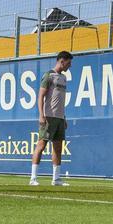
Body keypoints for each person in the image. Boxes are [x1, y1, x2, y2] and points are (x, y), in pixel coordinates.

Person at [29, 51, 73, 187]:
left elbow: (60, 100)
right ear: (62, 61)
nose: (69, 66)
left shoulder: (64, 78)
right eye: (68, 63)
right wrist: (41, 115)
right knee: (41, 146)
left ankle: (56, 179)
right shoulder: (48, 75)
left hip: (59, 118)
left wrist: (63, 117)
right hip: (48, 117)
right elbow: (40, 96)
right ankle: (33, 178)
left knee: (58, 148)